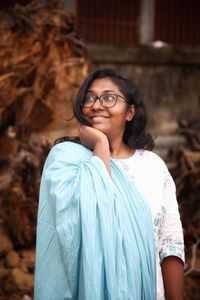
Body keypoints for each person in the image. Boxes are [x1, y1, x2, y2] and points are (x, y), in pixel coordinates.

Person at [34, 69, 185, 300]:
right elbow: (83, 223)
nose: (96, 105)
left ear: (130, 112)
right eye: (90, 97)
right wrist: (101, 144)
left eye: (109, 98)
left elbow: (170, 244)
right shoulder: (65, 159)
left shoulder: (154, 167)